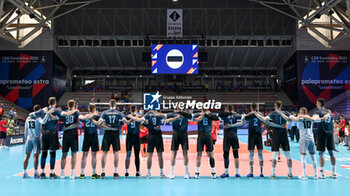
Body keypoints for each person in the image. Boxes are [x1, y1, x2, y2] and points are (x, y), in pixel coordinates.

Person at [30, 97, 78, 179]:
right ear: (55, 103)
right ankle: (52, 173)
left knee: (44, 154)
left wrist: (44, 113)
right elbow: (66, 114)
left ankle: (42, 173)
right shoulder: (57, 110)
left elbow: (31, 115)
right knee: (52, 154)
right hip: (53, 134)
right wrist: (75, 110)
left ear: (48, 102)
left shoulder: (43, 110)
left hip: (44, 134)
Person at [285, 107, 329, 180]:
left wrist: (286, 114)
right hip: (311, 139)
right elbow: (322, 119)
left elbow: (290, 118)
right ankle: (315, 174)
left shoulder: (300, 119)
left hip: (304, 139)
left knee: (303, 157)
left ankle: (304, 174)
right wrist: (328, 113)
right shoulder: (311, 118)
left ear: (301, 113)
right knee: (313, 157)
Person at [254, 100, 293, 179]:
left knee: (274, 154)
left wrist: (256, 114)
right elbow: (291, 119)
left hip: (276, 135)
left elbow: (264, 119)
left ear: (275, 106)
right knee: (288, 155)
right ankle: (290, 173)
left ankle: (273, 173)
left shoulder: (272, 114)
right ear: (281, 106)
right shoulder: (286, 113)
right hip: (284, 135)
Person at [97, 99, 126, 179]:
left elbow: (100, 123)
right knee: (116, 152)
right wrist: (117, 126)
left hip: (107, 134)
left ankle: (103, 172)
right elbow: (124, 123)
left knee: (104, 152)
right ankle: (115, 172)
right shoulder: (119, 113)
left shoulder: (104, 113)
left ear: (109, 105)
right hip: (115, 134)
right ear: (115, 105)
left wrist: (106, 126)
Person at [312, 98, 337, 178]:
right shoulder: (330, 113)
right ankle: (334, 172)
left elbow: (315, 119)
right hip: (330, 134)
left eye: (317, 103)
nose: (316, 104)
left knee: (321, 153)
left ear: (319, 104)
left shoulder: (317, 112)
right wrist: (332, 134)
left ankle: (322, 173)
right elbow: (332, 125)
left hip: (322, 134)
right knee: (331, 153)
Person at [164, 109, 193, 179]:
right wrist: (177, 117)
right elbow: (166, 121)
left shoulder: (186, 115)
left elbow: (194, 119)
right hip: (176, 133)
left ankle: (186, 173)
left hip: (183, 133)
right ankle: (171, 173)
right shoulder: (173, 114)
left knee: (185, 153)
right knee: (174, 153)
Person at [218, 105, 245, 179]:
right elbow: (243, 121)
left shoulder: (224, 115)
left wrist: (229, 126)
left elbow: (217, 117)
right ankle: (237, 173)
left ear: (226, 109)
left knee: (226, 154)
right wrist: (233, 125)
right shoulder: (236, 115)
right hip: (234, 136)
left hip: (227, 136)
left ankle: (226, 173)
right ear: (233, 109)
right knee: (236, 154)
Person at [23, 105, 48, 179]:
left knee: (27, 156)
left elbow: (25, 130)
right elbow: (44, 122)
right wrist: (47, 114)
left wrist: (25, 139)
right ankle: (35, 173)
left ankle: (24, 172)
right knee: (36, 156)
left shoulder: (28, 118)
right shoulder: (38, 118)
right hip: (36, 138)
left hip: (28, 138)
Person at [193, 109, 219, 179]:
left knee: (210, 154)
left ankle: (213, 172)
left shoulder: (210, 115)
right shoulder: (199, 114)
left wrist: (211, 130)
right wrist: (203, 115)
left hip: (208, 136)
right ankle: (197, 172)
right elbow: (195, 120)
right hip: (201, 135)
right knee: (199, 154)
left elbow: (214, 122)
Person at [142, 110, 168, 178]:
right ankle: (161, 173)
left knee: (149, 155)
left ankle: (148, 173)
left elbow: (141, 122)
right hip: (158, 136)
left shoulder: (148, 114)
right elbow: (166, 119)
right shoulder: (159, 114)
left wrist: (150, 126)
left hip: (151, 136)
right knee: (160, 155)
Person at [60, 100, 80, 179]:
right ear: (74, 105)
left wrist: (67, 127)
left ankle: (62, 173)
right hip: (73, 134)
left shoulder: (64, 113)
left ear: (67, 105)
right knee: (73, 154)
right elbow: (80, 122)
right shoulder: (76, 112)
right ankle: (72, 173)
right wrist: (73, 125)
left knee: (64, 154)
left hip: (66, 134)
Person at [79, 103, 100, 179]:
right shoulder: (96, 116)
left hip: (86, 136)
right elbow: (99, 123)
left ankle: (82, 173)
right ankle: (94, 173)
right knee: (94, 155)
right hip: (94, 136)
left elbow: (80, 120)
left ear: (88, 109)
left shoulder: (85, 117)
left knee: (84, 155)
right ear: (94, 109)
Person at [245, 103, 265, 179]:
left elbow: (243, 120)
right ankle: (261, 173)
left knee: (251, 154)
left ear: (251, 108)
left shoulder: (249, 115)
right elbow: (264, 122)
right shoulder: (260, 114)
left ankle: (251, 172)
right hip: (259, 135)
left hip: (251, 135)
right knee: (260, 154)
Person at [124, 106, 145, 178]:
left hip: (129, 137)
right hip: (136, 137)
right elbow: (142, 121)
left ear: (130, 110)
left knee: (128, 155)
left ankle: (126, 172)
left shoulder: (127, 116)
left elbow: (125, 121)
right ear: (136, 110)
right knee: (137, 155)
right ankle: (137, 172)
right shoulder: (138, 117)